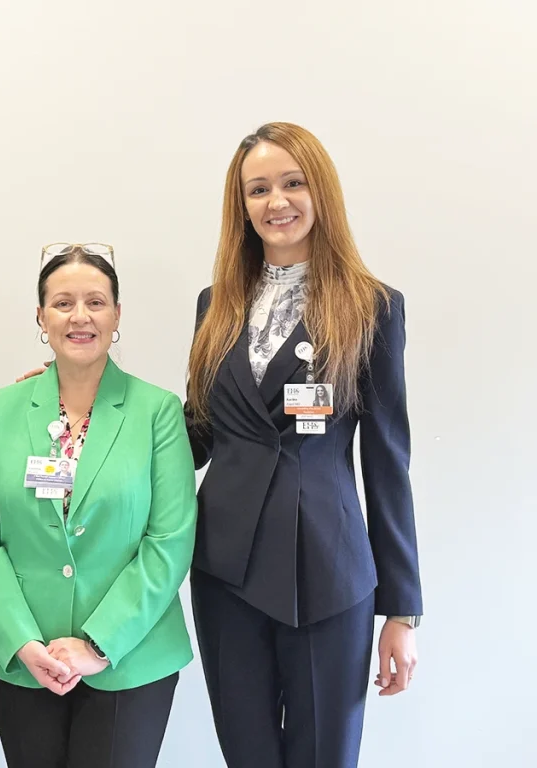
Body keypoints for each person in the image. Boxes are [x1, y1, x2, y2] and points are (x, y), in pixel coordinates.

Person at [185, 123, 423, 768]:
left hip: (329, 571)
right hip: (224, 570)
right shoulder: (217, 305)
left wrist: (401, 610)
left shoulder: (371, 307)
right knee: (248, 754)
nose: (276, 201)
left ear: (321, 191)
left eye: (292, 182)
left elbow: (387, 461)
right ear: (241, 206)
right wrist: (81, 401)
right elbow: (195, 433)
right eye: (257, 189)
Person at [0, 243, 197, 768]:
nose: (80, 316)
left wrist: (98, 643)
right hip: (23, 657)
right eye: (63, 303)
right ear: (41, 317)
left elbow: (170, 540)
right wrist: (20, 640)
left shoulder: (157, 412)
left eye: (96, 301)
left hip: (132, 656)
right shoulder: (3, 409)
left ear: (117, 315)